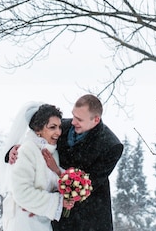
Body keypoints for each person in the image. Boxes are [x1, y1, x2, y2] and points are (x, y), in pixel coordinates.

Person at [8, 94, 124, 231]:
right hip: (56, 216)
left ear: (96, 120)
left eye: (79, 119)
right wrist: (13, 150)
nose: (73, 122)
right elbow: (37, 136)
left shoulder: (111, 146)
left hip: (89, 215)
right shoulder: (61, 127)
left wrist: (50, 200)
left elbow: (87, 185)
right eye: (73, 115)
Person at [0, 102, 74, 231]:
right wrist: (58, 202)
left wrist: (67, 193)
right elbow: (21, 192)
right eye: (52, 127)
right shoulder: (27, 150)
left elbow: (53, 183)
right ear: (38, 129)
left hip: (42, 221)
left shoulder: (53, 152)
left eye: (59, 127)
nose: (58, 132)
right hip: (23, 221)